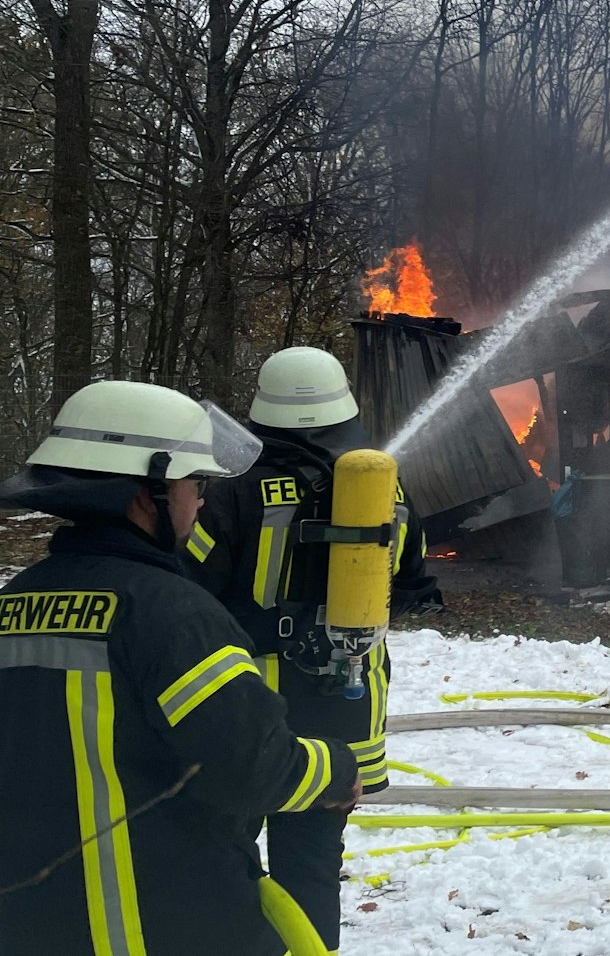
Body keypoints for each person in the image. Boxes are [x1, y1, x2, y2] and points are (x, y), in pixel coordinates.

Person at [0, 380, 360, 956]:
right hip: (161, 923)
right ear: (149, 493)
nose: (200, 503)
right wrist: (335, 768)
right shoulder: (174, 614)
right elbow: (250, 766)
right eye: (196, 484)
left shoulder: (16, 601)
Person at [185, 347, 439, 953]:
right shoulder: (380, 482)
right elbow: (409, 579)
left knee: (228, 855)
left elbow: (186, 593)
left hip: (246, 708)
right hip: (344, 710)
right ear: (343, 406)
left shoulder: (229, 490)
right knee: (313, 865)